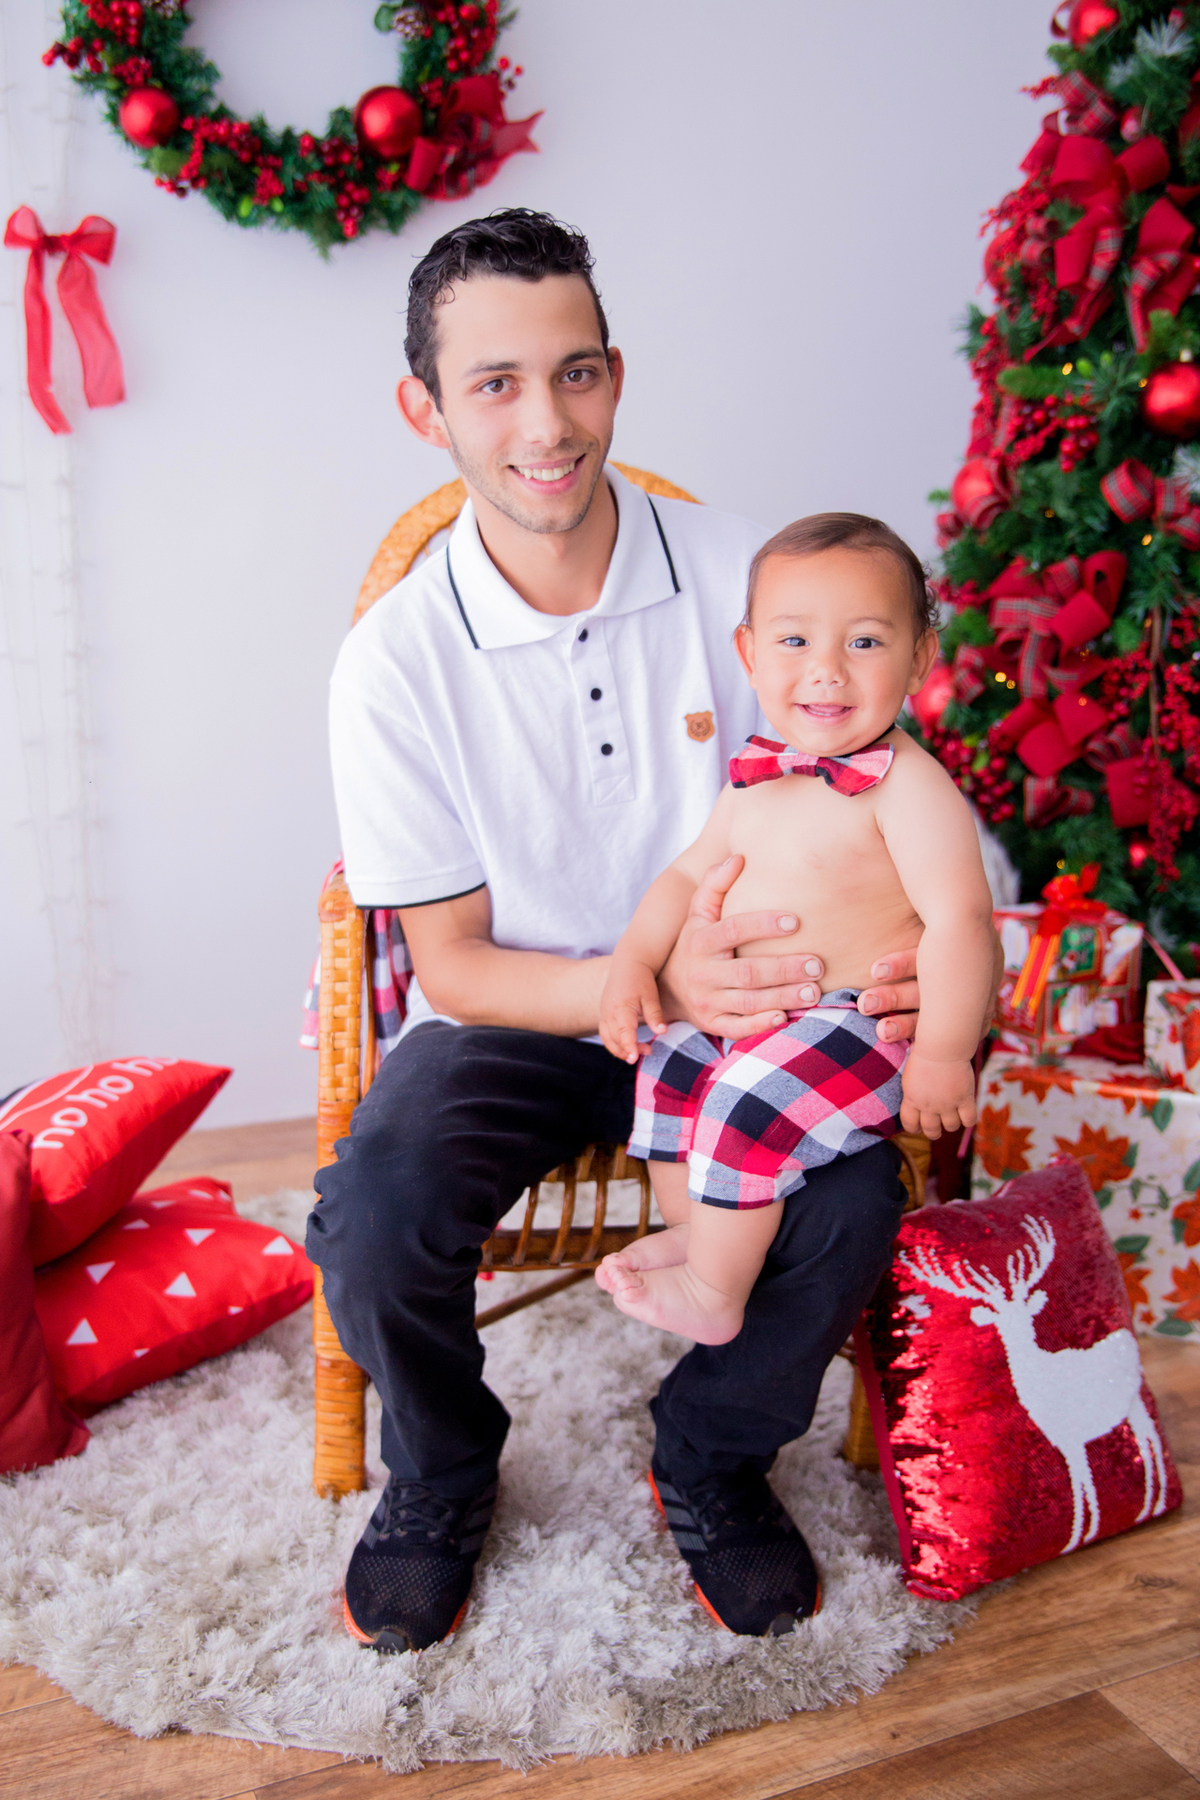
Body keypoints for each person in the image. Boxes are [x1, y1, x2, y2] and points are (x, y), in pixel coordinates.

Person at [307, 209, 986, 1655]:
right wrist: (643, 972)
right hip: (528, 1011)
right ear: (424, 409)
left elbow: (877, 786)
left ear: (616, 376)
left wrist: (904, 957)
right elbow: (453, 965)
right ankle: (441, 1469)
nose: (545, 424)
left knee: (854, 1204)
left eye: (576, 373)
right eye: (494, 383)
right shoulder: (394, 665)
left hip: (765, 1011)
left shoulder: (750, 580)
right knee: (371, 1210)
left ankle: (712, 1452)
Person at [594, 513, 995, 1345]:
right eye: (794, 642)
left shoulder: (909, 789)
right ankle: (706, 1235)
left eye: (864, 643)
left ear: (920, 657)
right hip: (757, 1026)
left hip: (855, 1027)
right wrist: (634, 960)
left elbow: (962, 921)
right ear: (748, 654)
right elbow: (683, 874)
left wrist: (944, 1052)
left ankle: (715, 1292)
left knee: (742, 1104)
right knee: (670, 1064)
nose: (825, 673)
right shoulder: (755, 771)